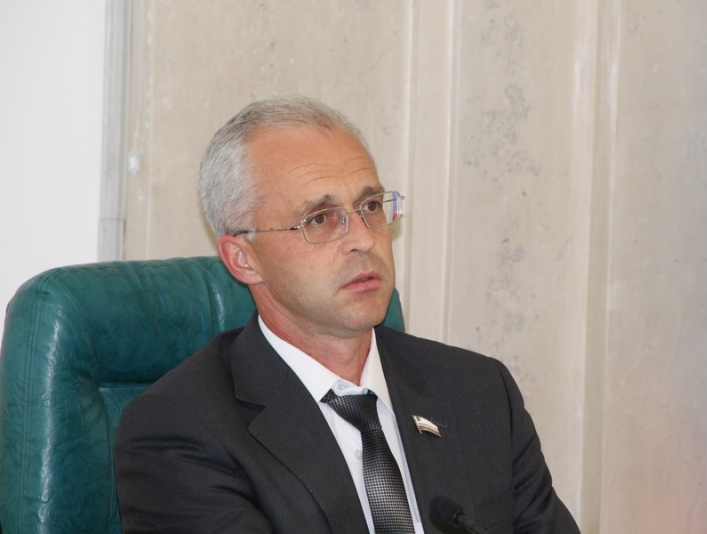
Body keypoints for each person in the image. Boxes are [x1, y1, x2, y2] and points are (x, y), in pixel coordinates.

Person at [114, 96, 580, 534]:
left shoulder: (477, 392)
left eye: (370, 207)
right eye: (319, 219)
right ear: (243, 258)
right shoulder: (180, 432)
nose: (363, 238)